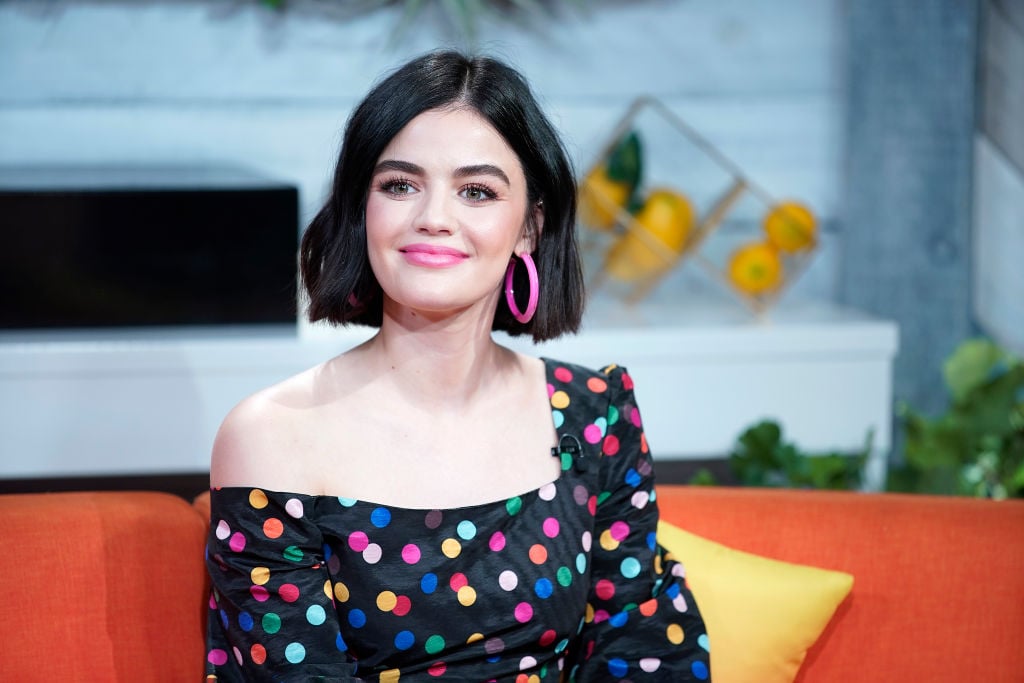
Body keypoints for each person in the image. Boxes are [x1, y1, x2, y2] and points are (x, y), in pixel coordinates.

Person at [204, 50, 710, 682]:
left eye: (476, 191)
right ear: (363, 212)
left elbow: (642, 647)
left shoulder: (594, 412)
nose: (434, 218)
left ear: (529, 227)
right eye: (399, 186)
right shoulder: (272, 435)